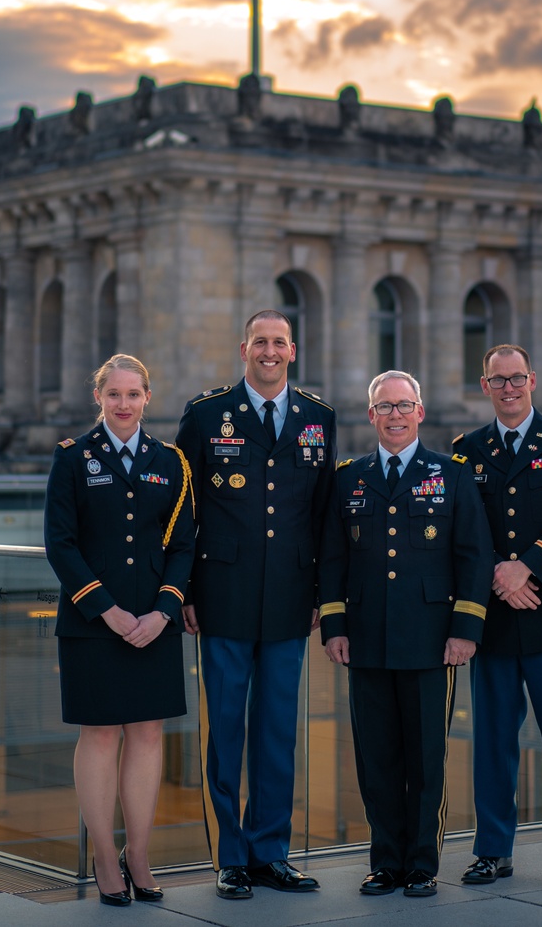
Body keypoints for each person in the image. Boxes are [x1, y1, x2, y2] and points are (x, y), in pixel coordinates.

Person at [176, 310, 336, 899]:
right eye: (260, 342)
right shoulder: (206, 414)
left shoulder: (319, 418)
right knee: (225, 732)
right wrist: (187, 590)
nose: (269, 352)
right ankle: (230, 857)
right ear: (244, 348)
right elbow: (182, 510)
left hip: (291, 599)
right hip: (222, 596)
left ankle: (271, 853)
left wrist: (323, 595)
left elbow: (322, 518)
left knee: (277, 732)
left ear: (292, 350)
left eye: (279, 343)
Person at [319, 371, 493, 898]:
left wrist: (465, 630)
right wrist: (334, 625)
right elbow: (333, 558)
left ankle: (421, 863)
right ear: (370, 416)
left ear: (419, 412)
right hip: (366, 639)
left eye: (404, 405)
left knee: (424, 759)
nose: (395, 415)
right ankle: (384, 862)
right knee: (376, 760)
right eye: (384, 407)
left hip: (430, 640)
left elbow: (474, 555)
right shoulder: (347, 478)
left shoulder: (452, 474)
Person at [45, 353, 196, 907]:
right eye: (114, 395)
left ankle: (139, 853)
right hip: (93, 623)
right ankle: (104, 857)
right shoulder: (73, 457)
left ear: (147, 398)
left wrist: (163, 611)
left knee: (149, 733)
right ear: (100, 398)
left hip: (154, 624)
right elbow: (60, 544)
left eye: (134, 395)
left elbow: (182, 545)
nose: (124, 404)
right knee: (101, 735)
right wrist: (107, 610)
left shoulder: (171, 461)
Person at [452, 343, 542, 893]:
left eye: (517, 378)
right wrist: (500, 575)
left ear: (532, 380)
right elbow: (465, 528)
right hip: (494, 619)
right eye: (498, 380)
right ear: (485, 386)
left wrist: (528, 570)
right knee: (491, 743)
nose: (509, 388)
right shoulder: (467, 450)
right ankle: (492, 851)